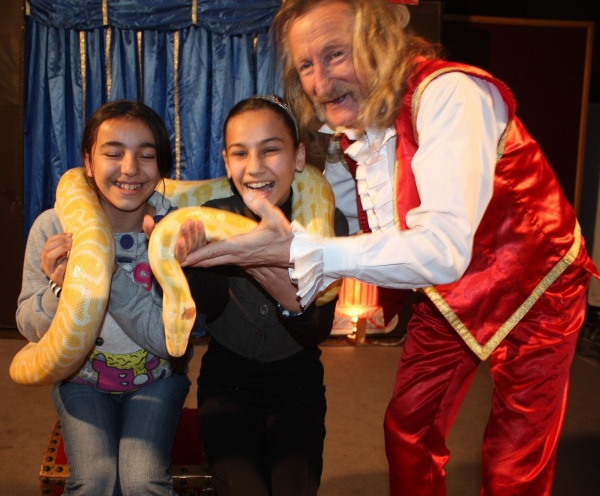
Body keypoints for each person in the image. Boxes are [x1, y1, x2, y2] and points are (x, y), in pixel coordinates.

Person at [173, 1, 600, 495]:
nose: (319, 82)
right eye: (306, 65)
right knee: (408, 427)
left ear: (380, 40)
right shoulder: (349, 135)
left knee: (514, 457)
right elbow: (345, 226)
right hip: (445, 294)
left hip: (535, 284)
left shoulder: (450, 94)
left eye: (335, 54)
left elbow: (440, 250)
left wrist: (304, 255)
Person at [16, 100, 190, 495]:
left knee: (142, 480)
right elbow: (28, 327)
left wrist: (103, 275)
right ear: (88, 163)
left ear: (161, 166)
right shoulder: (52, 228)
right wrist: (62, 290)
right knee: (94, 480)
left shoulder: (174, 233)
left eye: (147, 155)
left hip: (157, 378)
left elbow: (170, 343)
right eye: (113, 153)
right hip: (80, 379)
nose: (130, 168)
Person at [180, 95, 341, 496]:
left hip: (298, 384)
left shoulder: (326, 222)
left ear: (299, 156)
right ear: (226, 161)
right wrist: (192, 263)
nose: (254, 167)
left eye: (270, 150)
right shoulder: (210, 215)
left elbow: (315, 330)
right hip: (227, 384)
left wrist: (270, 270)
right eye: (240, 153)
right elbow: (211, 308)